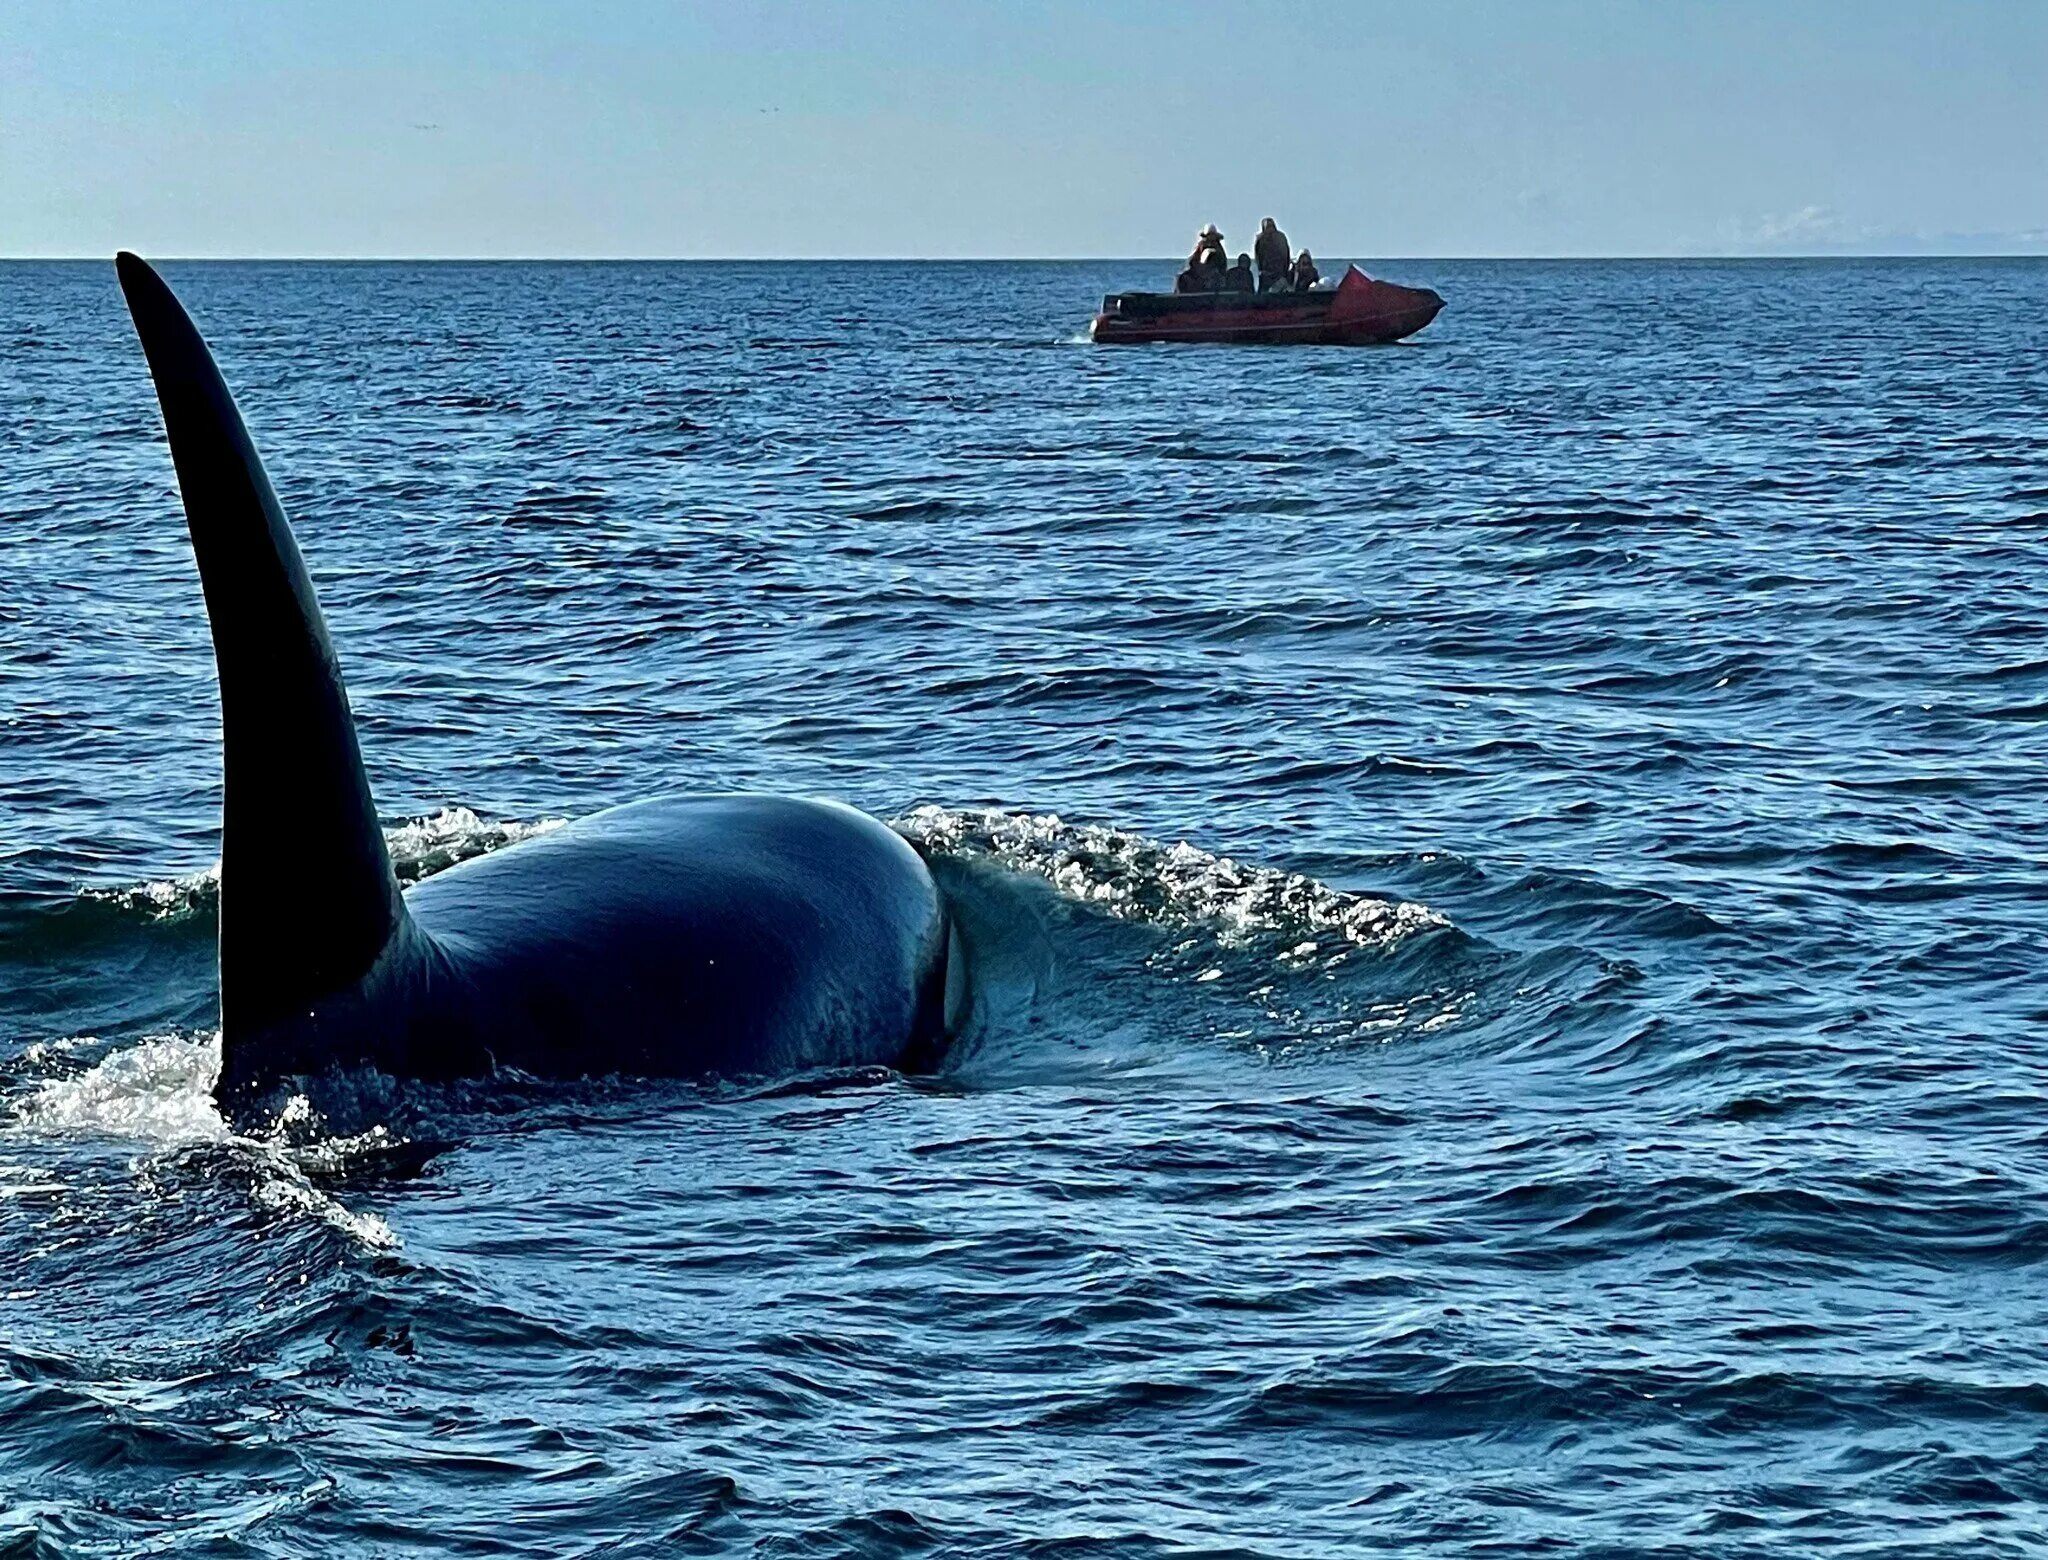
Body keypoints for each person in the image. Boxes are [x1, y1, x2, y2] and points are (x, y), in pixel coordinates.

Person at [1254, 217, 1291, 291]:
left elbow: (1286, 257)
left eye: (1271, 226)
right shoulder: (1260, 239)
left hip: (1279, 273)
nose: (1270, 230)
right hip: (1266, 274)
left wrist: (1284, 272)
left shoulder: (1281, 238)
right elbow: (1258, 257)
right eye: (1268, 227)